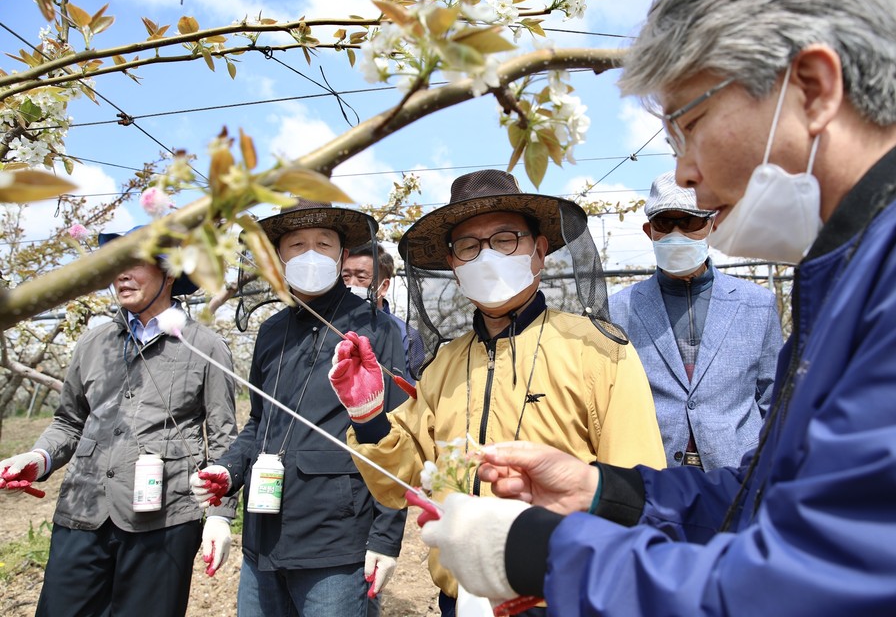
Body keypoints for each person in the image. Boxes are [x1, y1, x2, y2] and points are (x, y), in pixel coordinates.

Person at [414, 0, 896, 614]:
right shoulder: (867, 269)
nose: (683, 176)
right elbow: (767, 502)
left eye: (691, 124)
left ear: (811, 88)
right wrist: (604, 493)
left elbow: (826, 583)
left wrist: (548, 551)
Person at [328, 169, 666, 616]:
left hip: (564, 596)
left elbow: (633, 486)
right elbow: (398, 483)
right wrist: (369, 414)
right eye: (469, 246)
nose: (486, 256)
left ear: (539, 250)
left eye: (505, 239)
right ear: (454, 263)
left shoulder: (597, 351)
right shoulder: (445, 364)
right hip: (458, 597)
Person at [0, 226, 237, 617]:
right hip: (84, 508)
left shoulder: (205, 347)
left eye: (135, 263)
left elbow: (225, 438)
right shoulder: (93, 343)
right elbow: (69, 421)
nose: (122, 275)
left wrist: (219, 515)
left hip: (165, 520)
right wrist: (39, 457)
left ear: (169, 271)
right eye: (116, 265)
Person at [191, 200, 407, 617]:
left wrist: (385, 535)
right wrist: (229, 471)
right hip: (263, 534)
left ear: (343, 255)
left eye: (323, 243)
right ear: (279, 258)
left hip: (337, 539)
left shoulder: (375, 328)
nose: (310, 254)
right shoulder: (272, 331)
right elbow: (259, 420)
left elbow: (395, 435)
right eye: (296, 244)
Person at [608, 170, 782, 471]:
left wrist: (769, 467)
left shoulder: (756, 303)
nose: (678, 234)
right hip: (654, 471)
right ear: (650, 231)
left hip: (739, 470)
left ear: (711, 226)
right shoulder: (620, 308)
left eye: (690, 222)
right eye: (665, 223)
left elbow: (774, 397)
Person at [342, 241, 426, 380]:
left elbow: (411, 393)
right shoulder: (326, 324)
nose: (351, 284)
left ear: (384, 286)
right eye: (345, 277)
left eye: (361, 277)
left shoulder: (406, 337)